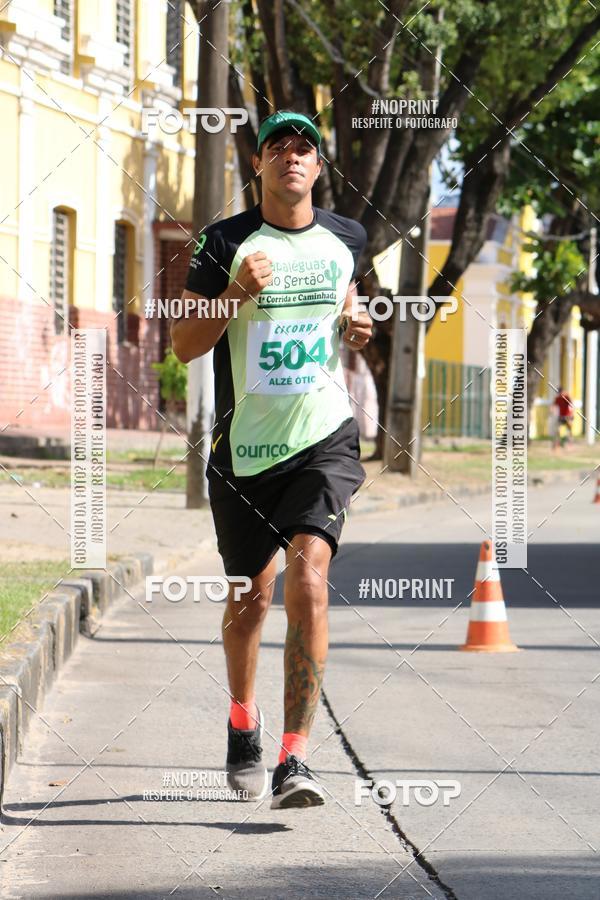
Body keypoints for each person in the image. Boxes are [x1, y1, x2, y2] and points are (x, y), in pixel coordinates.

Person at [170, 110, 372, 809]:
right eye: (277, 147)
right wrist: (233, 295)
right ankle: (240, 720)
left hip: (323, 437)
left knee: (308, 582)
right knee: (250, 600)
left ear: (319, 167)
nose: (292, 155)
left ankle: (295, 759)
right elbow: (183, 346)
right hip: (244, 451)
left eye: (304, 147)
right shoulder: (222, 242)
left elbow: (346, 301)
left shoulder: (348, 236)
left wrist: (357, 321)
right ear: (257, 165)